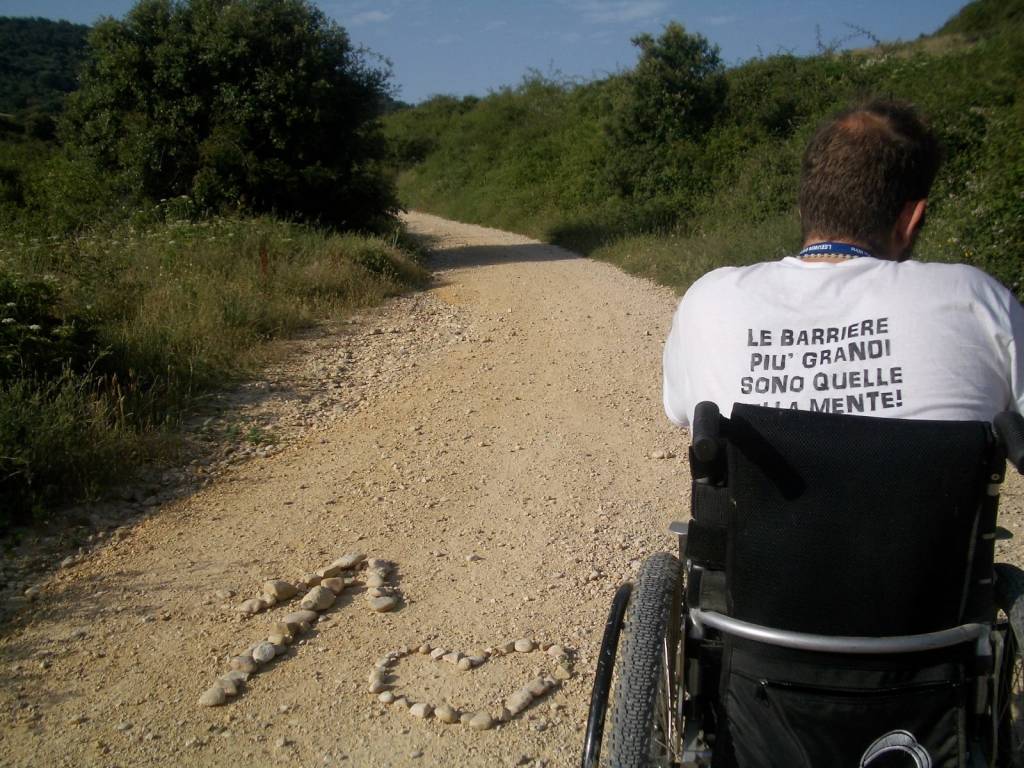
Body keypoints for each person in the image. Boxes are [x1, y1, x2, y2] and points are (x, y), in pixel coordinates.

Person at [662, 99, 1024, 426]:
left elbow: (680, 411)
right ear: (909, 221)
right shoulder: (976, 299)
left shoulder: (708, 300)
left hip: (754, 504)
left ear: (804, 208)